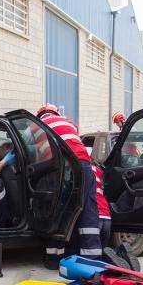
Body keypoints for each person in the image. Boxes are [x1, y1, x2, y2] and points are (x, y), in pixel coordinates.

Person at [37, 104, 101, 269]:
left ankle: (53, 259)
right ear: (55, 112)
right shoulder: (68, 121)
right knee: (88, 209)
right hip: (85, 165)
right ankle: (91, 258)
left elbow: (33, 152)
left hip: (64, 167)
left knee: (59, 209)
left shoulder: (37, 125)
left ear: (40, 115)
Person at [92, 162, 112, 248]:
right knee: (103, 250)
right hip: (107, 217)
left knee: (92, 250)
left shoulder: (84, 169)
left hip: (96, 215)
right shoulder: (98, 170)